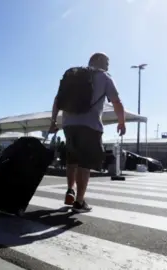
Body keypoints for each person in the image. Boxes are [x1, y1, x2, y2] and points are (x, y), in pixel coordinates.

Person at [49, 52, 126, 213]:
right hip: (90, 126)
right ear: (97, 60)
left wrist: (53, 121)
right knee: (84, 164)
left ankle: (70, 190)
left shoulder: (73, 76)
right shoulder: (104, 77)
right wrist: (121, 122)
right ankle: (79, 201)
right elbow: (117, 102)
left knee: (72, 160)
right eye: (107, 62)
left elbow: (57, 100)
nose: (108, 66)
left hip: (68, 125)